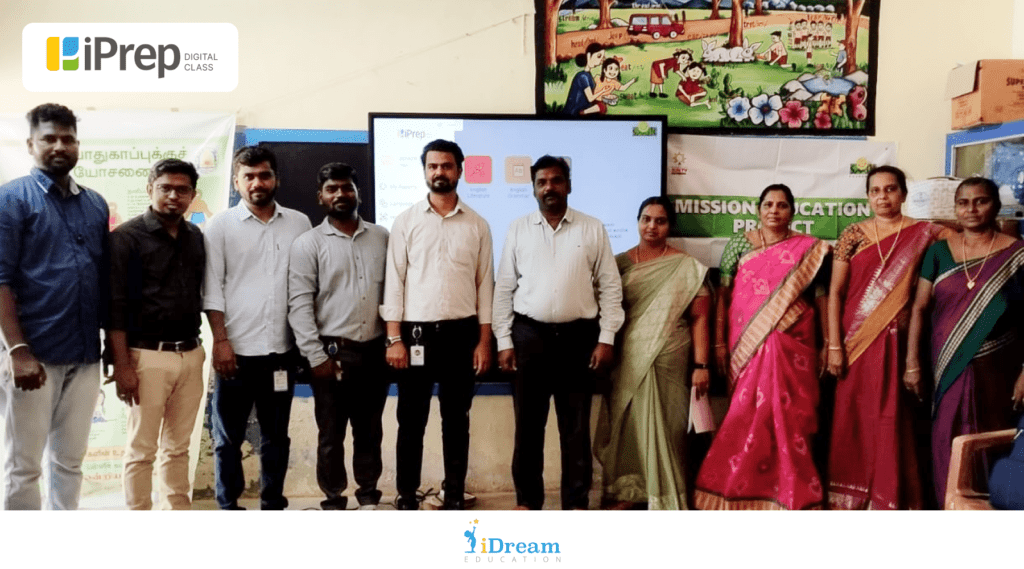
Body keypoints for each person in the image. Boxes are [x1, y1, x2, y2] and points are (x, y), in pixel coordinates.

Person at [494, 155, 624, 510]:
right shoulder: (518, 228)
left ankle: (575, 504)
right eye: (542, 182)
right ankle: (528, 503)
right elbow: (504, 288)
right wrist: (504, 341)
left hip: (578, 340)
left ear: (568, 184)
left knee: (576, 430)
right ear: (534, 188)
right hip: (528, 338)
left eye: (556, 180)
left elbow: (610, 288)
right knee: (528, 430)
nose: (549, 187)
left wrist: (606, 337)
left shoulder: (592, 228)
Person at [695, 184, 831, 510]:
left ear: (792, 212)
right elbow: (723, 298)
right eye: (768, 204)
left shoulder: (811, 250)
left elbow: (823, 297)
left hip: (794, 344)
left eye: (782, 205)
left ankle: (791, 494)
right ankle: (738, 489)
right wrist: (716, 342)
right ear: (758, 210)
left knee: (793, 420)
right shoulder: (739, 245)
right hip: (746, 347)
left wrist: (829, 343)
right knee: (744, 414)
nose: (774, 210)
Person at [0, 103, 108, 510]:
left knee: (70, 462)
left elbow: (100, 280)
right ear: (31, 144)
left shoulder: (95, 204)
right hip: (33, 356)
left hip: (84, 355)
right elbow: (0, 279)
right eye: (49, 138)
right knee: (23, 466)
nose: (59, 146)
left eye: (68, 138)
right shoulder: (10, 200)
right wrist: (18, 350)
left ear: (77, 144)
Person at [825, 166, 948, 510]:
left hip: (900, 343)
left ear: (903, 194)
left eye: (890, 189)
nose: (883, 197)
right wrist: (834, 345)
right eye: (875, 191)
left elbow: (972, 241)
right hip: (855, 342)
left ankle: (891, 496)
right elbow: (835, 293)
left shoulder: (927, 232)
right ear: (867, 197)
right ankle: (851, 498)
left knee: (895, 419)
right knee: (854, 416)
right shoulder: (853, 234)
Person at [382, 139, 494, 510]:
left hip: (462, 335)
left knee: (455, 420)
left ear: (459, 170)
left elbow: (485, 286)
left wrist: (483, 341)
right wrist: (393, 338)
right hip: (415, 335)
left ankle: (455, 493)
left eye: (446, 166)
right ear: (425, 171)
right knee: (410, 421)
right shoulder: (406, 222)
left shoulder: (477, 225)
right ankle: (406, 493)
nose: (439, 172)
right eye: (432, 166)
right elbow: (394, 281)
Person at [203, 146, 312, 510]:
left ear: (276, 179)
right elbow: (212, 287)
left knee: (276, 437)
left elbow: (306, 286)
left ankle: (272, 503)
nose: (257, 183)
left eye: (264, 175)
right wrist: (221, 341)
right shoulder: (219, 225)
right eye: (248, 176)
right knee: (227, 439)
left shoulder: (299, 223)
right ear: (236, 182)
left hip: (281, 352)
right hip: (234, 352)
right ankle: (228, 505)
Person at [906, 177, 1024, 505]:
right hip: (944, 366)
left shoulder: (1017, 255)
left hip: (998, 369)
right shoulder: (938, 253)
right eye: (963, 203)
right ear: (955, 209)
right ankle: (948, 507)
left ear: (995, 207)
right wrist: (912, 362)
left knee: (990, 439)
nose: (971, 209)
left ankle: (988, 507)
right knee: (945, 437)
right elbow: (918, 308)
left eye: (980, 201)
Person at [594, 196, 709, 510]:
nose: (652, 226)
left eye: (660, 221)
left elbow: (699, 317)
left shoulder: (686, 267)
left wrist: (701, 364)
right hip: (628, 357)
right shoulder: (617, 264)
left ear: (669, 226)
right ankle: (628, 492)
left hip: (670, 356)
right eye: (646, 219)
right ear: (638, 221)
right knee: (628, 426)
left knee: (668, 430)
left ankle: (666, 495)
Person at [288, 163, 390, 510]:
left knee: (369, 431)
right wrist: (315, 356)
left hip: (375, 353)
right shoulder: (308, 244)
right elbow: (299, 305)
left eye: (347, 187)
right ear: (321, 197)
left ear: (358, 193)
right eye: (332, 189)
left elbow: (393, 295)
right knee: (331, 435)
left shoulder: (382, 237)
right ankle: (333, 499)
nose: (340, 194)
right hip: (332, 356)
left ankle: (368, 497)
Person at [109, 159, 206, 510]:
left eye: (182, 190)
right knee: (141, 449)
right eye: (165, 187)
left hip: (192, 354)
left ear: (193, 195)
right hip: (144, 356)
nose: (173, 196)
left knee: (179, 447)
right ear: (150, 189)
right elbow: (115, 307)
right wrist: (122, 365)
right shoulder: (125, 238)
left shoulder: (195, 237)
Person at [564, 43, 607, 115]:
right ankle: (583, 113)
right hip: (575, 111)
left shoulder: (588, 74)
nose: (601, 60)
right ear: (589, 56)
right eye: (599, 56)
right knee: (601, 107)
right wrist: (602, 91)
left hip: (585, 106)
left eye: (603, 57)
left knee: (602, 106)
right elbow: (590, 98)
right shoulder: (582, 76)